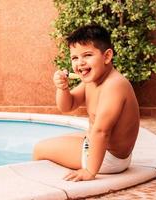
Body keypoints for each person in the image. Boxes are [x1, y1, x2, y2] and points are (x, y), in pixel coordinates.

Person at [33, 24, 140, 181]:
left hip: (109, 159)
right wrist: (62, 88)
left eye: (87, 55)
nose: (80, 63)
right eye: (75, 58)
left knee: (39, 149)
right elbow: (67, 106)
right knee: (67, 138)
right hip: (107, 154)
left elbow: (101, 131)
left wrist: (90, 171)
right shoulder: (93, 81)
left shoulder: (115, 85)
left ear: (107, 56)